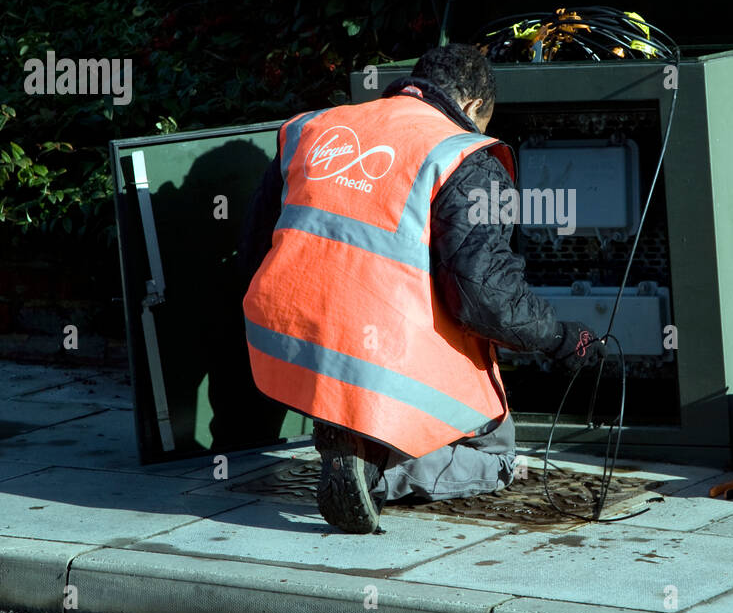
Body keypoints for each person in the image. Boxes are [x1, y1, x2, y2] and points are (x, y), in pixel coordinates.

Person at [240, 44, 605, 533]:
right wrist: (561, 338)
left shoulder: (312, 128)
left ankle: (354, 430)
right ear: (474, 106)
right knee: (495, 453)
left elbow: (255, 243)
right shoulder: (464, 158)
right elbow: (487, 301)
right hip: (379, 351)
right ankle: (374, 472)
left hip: (286, 335)